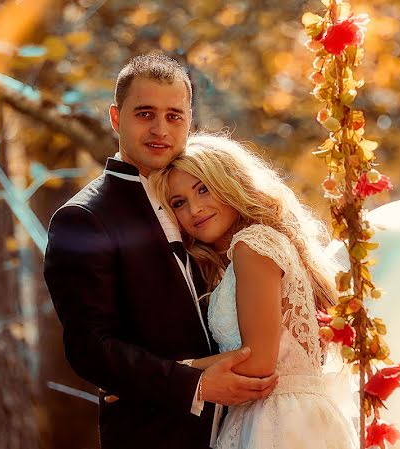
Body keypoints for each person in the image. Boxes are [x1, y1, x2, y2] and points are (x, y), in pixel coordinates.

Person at [43, 53, 278, 449]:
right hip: (152, 434)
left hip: (246, 426)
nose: (160, 129)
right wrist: (194, 383)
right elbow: (90, 347)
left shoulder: (208, 204)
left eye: (174, 116)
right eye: (145, 114)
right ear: (116, 118)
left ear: (189, 120)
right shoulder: (83, 218)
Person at [151, 133, 359, 449]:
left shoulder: (253, 245)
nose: (195, 209)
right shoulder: (242, 256)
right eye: (179, 203)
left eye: (203, 189)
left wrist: (167, 373)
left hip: (280, 422)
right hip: (270, 415)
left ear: (229, 183)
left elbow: (257, 364)